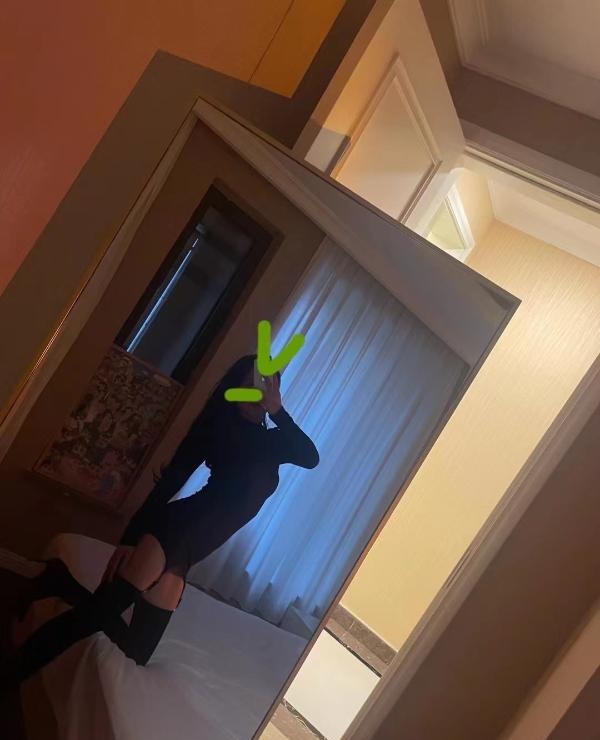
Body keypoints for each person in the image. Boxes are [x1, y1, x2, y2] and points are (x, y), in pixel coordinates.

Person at [2, 355, 319, 689]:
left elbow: (310, 457)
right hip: (174, 530)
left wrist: (278, 411)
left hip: (190, 552)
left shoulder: (274, 441)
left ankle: (58, 580)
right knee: (91, 618)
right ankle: (9, 675)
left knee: (137, 649)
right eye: (250, 385)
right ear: (235, 388)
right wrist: (131, 539)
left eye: (266, 387)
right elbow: (169, 483)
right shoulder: (215, 426)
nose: (257, 393)